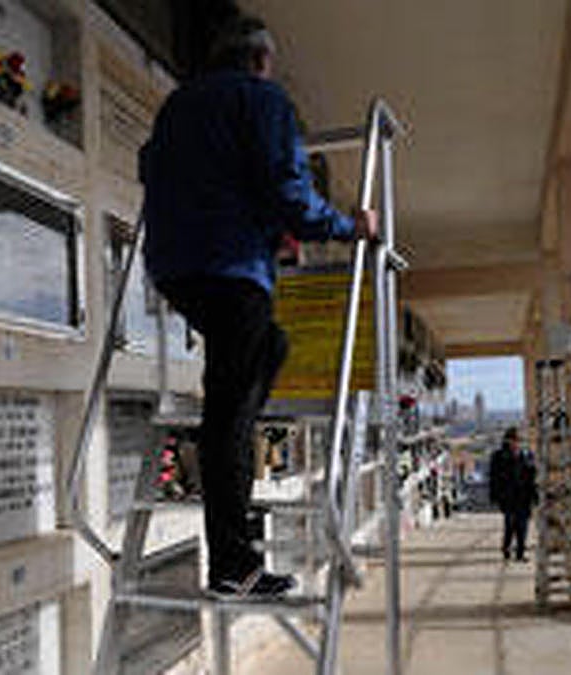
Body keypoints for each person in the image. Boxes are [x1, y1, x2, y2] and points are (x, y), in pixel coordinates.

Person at [139, 15, 377, 599]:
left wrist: (264, 228)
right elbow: (289, 191)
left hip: (176, 269)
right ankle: (233, 567)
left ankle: (229, 420)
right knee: (231, 420)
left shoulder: (176, 107)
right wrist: (349, 227)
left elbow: (158, 170)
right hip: (232, 271)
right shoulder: (263, 99)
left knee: (269, 348)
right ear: (261, 60)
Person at [489, 427, 538, 561]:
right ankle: (507, 547)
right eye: (514, 440)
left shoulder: (527, 454)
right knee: (510, 524)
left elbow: (532, 476)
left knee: (523, 525)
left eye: (519, 440)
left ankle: (520, 552)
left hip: (524, 496)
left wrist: (535, 495)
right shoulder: (499, 456)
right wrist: (495, 496)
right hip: (508, 496)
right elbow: (494, 478)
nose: (516, 443)